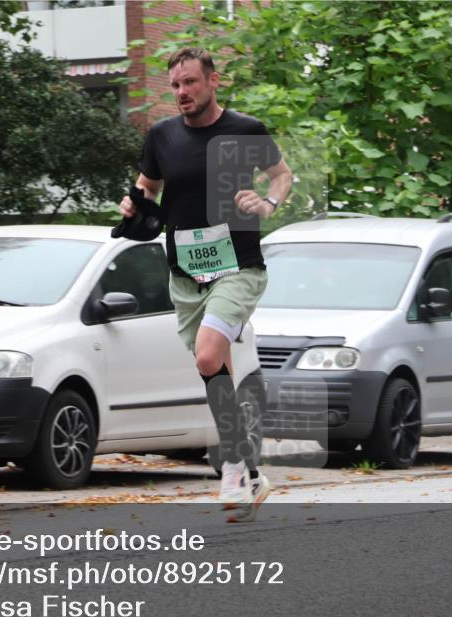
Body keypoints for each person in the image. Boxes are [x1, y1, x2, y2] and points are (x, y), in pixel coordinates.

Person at [118, 47, 292, 522]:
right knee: (215, 369)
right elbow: (147, 187)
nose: (181, 93)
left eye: (190, 83)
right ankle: (250, 473)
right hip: (186, 273)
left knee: (209, 356)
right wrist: (133, 205)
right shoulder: (162, 136)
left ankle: (233, 465)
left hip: (238, 265)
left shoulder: (245, 130)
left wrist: (268, 203)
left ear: (214, 81)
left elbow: (282, 176)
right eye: (175, 86)